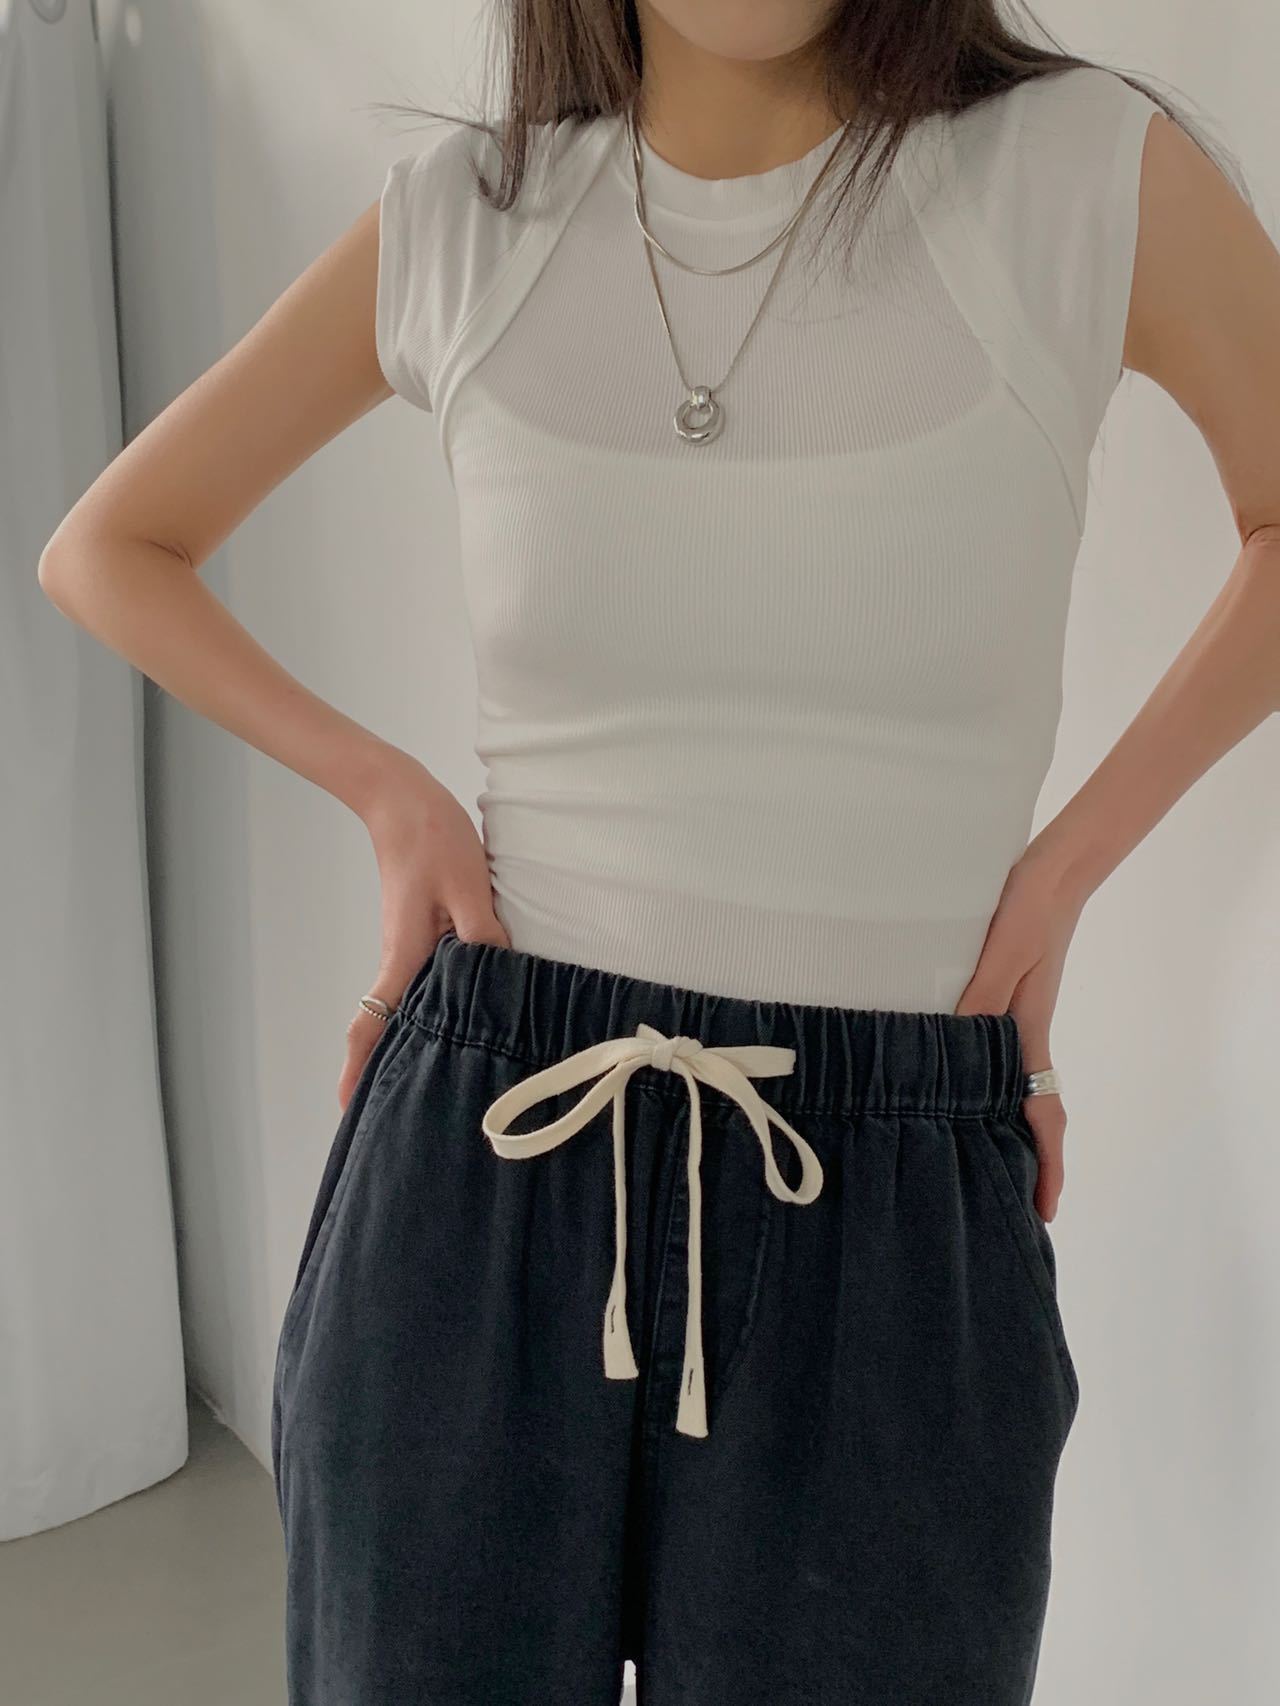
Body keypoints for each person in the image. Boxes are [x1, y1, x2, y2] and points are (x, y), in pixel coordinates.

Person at [39, 2, 1280, 1702]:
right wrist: (389, 792)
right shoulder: (471, 219)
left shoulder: (1078, 172)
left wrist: (1064, 872)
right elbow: (110, 545)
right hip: (485, 1159)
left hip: (889, 1189)